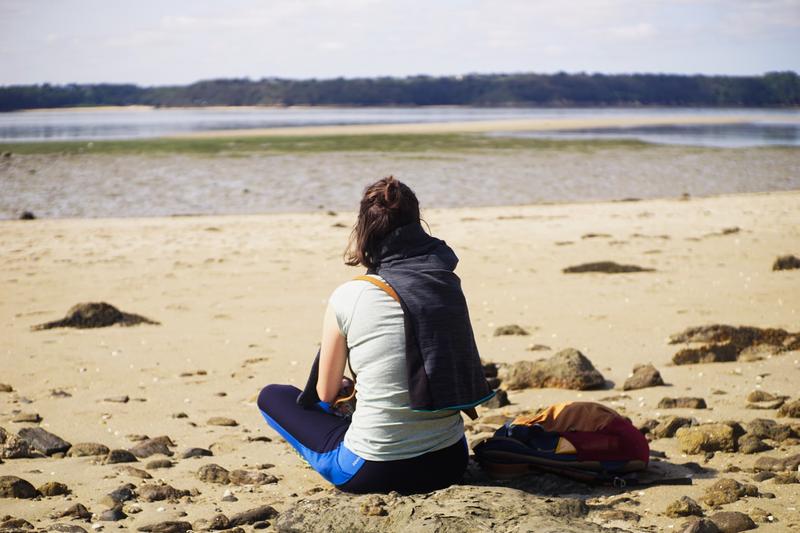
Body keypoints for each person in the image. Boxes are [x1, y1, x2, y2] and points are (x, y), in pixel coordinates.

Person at [257, 176, 492, 494]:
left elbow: (325, 394)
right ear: (418, 226)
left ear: (364, 230)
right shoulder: (446, 284)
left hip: (373, 472)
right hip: (449, 462)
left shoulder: (349, 295)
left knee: (272, 396)